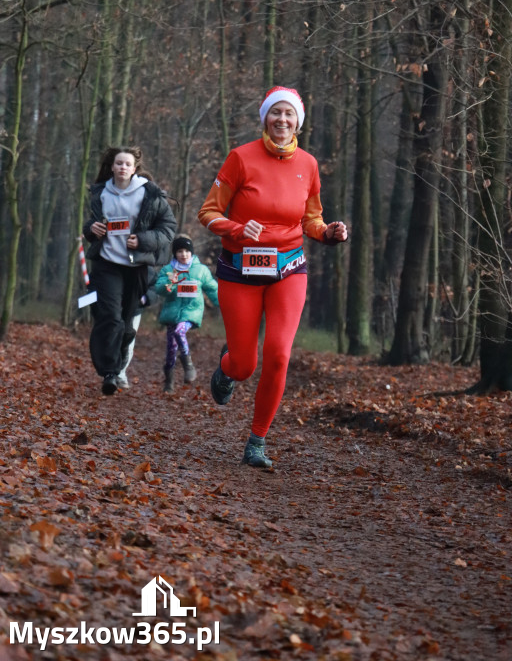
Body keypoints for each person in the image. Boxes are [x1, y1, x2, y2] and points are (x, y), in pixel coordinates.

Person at [198, 86, 348, 468]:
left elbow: (311, 218)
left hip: (289, 268)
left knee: (279, 355)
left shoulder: (309, 164)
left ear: (298, 121)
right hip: (240, 269)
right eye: (275, 113)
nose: (282, 120)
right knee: (246, 363)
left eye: (289, 114)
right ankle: (228, 367)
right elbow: (208, 213)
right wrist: (234, 228)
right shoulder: (241, 158)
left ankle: (257, 442)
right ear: (265, 117)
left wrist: (327, 231)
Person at [83, 146, 176, 395]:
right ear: (112, 167)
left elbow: (168, 229)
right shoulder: (100, 194)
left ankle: (120, 358)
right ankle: (110, 373)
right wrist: (92, 229)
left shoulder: (150, 194)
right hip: (107, 264)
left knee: (126, 324)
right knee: (109, 317)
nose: (123, 167)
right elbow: (89, 226)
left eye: (127, 164)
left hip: (136, 268)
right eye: (118, 163)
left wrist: (143, 240)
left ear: (134, 169)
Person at [155, 235, 219, 393]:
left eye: (186, 251)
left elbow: (212, 289)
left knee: (179, 331)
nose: (183, 254)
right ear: (175, 253)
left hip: (191, 312)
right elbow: (159, 287)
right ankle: (169, 382)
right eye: (180, 251)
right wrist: (168, 285)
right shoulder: (168, 270)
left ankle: (189, 365)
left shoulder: (201, 270)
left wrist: (224, 304)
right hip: (172, 313)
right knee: (171, 350)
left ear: (192, 252)